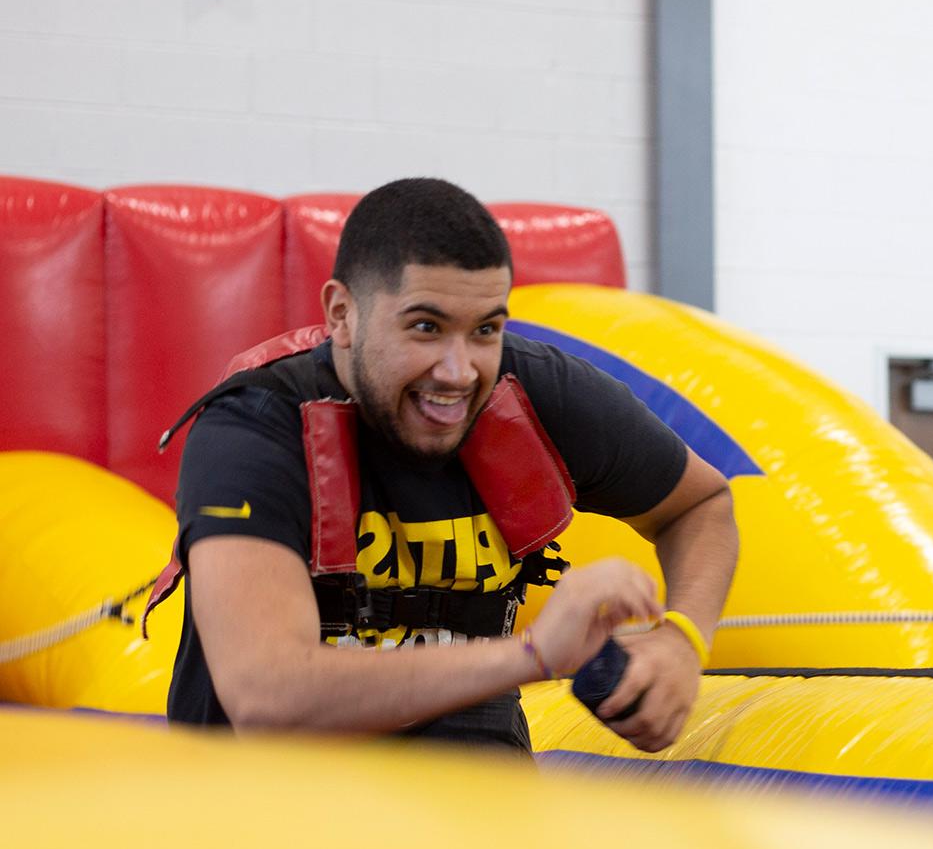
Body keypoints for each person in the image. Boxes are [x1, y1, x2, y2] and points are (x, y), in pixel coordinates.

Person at [158, 177, 738, 751]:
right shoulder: (255, 426)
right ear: (341, 314)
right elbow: (267, 697)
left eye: (485, 329)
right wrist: (535, 654)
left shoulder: (537, 393)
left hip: (463, 757)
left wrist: (682, 640)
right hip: (265, 793)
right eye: (425, 328)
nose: (458, 372)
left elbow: (702, 504)